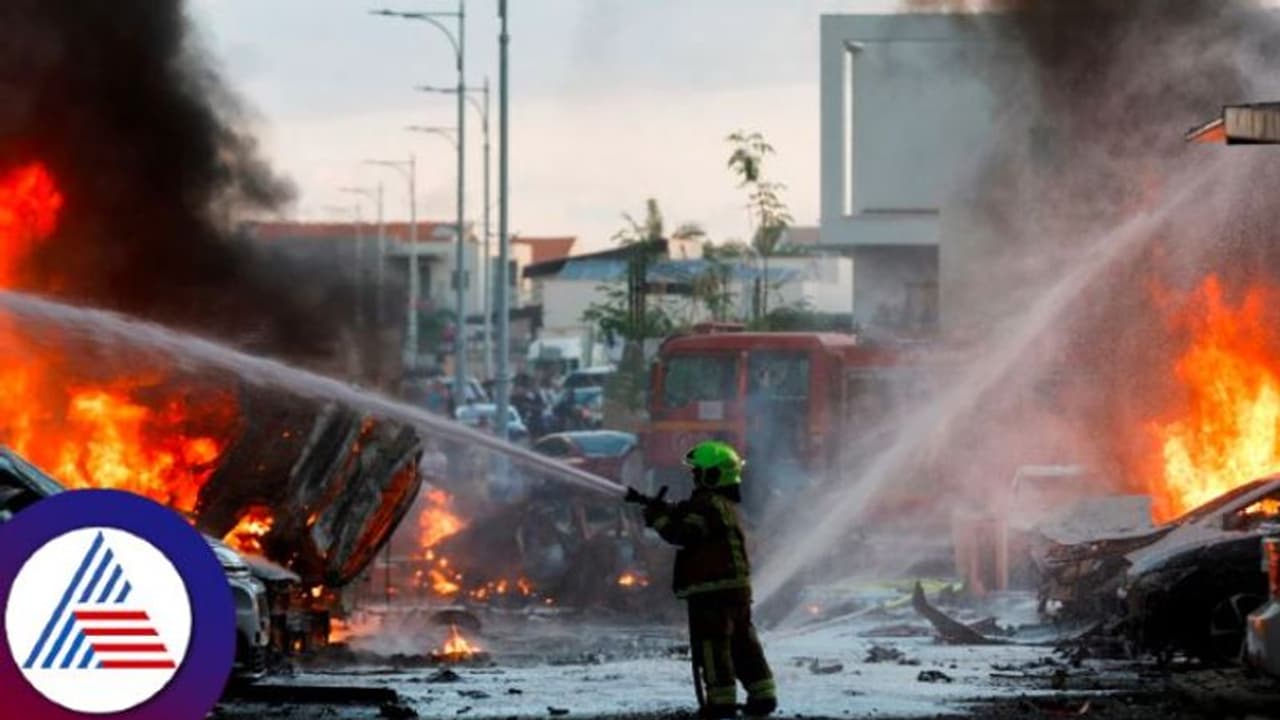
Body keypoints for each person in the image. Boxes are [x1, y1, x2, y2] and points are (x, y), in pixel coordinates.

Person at [642, 441, 777, 719]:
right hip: (736, 589)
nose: (693, 477)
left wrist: (658, 520)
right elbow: (694, 520)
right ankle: (763, 696)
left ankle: (721, 702)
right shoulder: (723, 504)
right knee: (744, 644)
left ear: (712, 475)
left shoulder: (705, 505)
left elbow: (684, 535)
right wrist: (670, 509)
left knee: (713, 647)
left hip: (712, 592)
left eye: (697, 472)